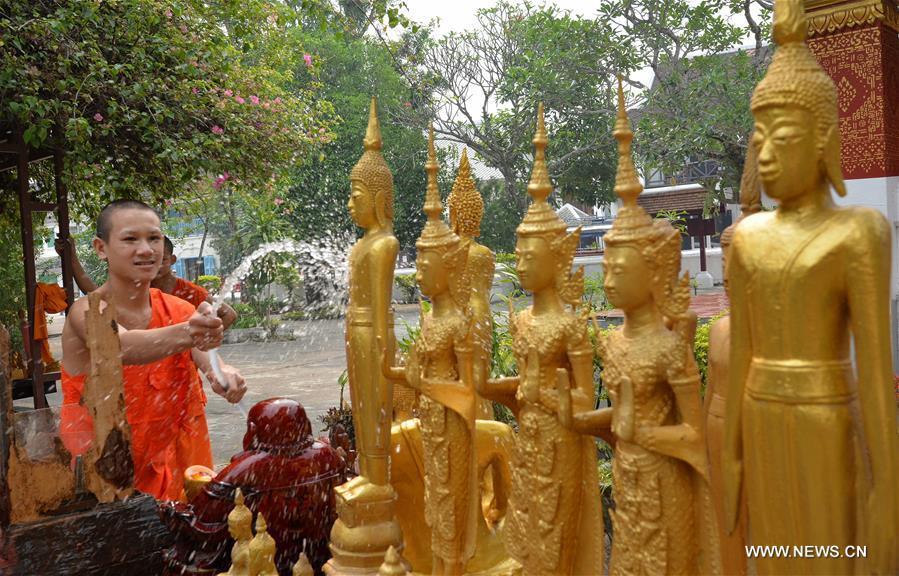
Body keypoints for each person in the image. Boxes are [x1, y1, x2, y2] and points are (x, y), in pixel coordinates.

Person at [60, 199, 247, 500]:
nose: (146, 249)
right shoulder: (85, 312)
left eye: (154, 238)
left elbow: (209, 361)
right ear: (101, 248)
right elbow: (122, 346)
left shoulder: (178, 310)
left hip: (174, 469)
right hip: (104, 475)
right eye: (130, 239)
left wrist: (224, 375)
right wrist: (191, 331)